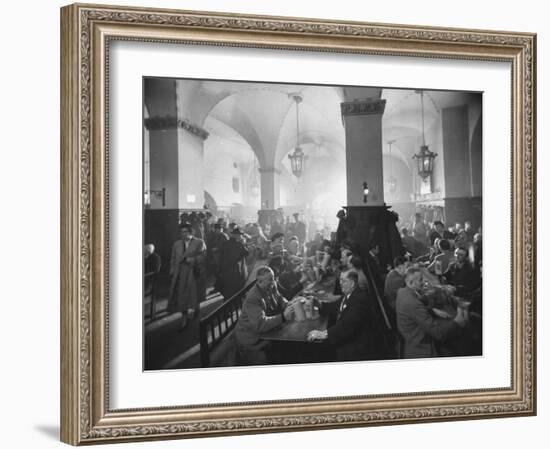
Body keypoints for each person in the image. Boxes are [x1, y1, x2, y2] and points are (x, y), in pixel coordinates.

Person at [396, 267, 467, 358]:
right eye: (420, 280)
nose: (424, 281)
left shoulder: (402, 292)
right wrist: (457, 322)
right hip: (420, 343)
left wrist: (432, 310)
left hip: (408, 335)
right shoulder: (413, 304)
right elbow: (437, 333)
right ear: (410, 283)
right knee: (458, 336)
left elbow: (416, 306)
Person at [307, 270, 377, 361]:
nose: (340, 283)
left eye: (343, 281)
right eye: (340, 280)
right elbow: (335, 306)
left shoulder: (359, 299)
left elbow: (347, 324)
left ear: (351, 283)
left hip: (356, 347)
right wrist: (318, 303)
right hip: (348, 338)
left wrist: (323, 334)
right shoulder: (350, 293)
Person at [235, 266, 294, 365]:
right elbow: (260, 324)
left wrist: (286, 303)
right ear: (259, 282)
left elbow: (279, 297)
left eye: (273, 278)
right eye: (270, 279)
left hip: (266, 334)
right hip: (251, 340)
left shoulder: (271, 285)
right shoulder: (253, 298)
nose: (274, 281)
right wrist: (283, 316)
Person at [168, 222, 207, 330]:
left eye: (185, 232)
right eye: (181, 232)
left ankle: (197, 310)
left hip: (193, 272)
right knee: (181, 295)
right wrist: (172, 268)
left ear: (191, 232)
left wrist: (193, 260)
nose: (183, 234)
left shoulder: (199, 242)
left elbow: (203, 257)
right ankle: (184, 318)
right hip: (180, 273)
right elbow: (173, 257)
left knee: (194, 294)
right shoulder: (177, 244)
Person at [218, 227, 249, 299]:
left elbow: (221, 256)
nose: (241, 236)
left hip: (225, 268)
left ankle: (226, 299)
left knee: (227, 284)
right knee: (236, 285)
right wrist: (244, 244)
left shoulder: (225, 243)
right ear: (238, 235)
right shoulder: (239, 244)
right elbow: (246, 253)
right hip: (236, 268)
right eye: (240, 235)